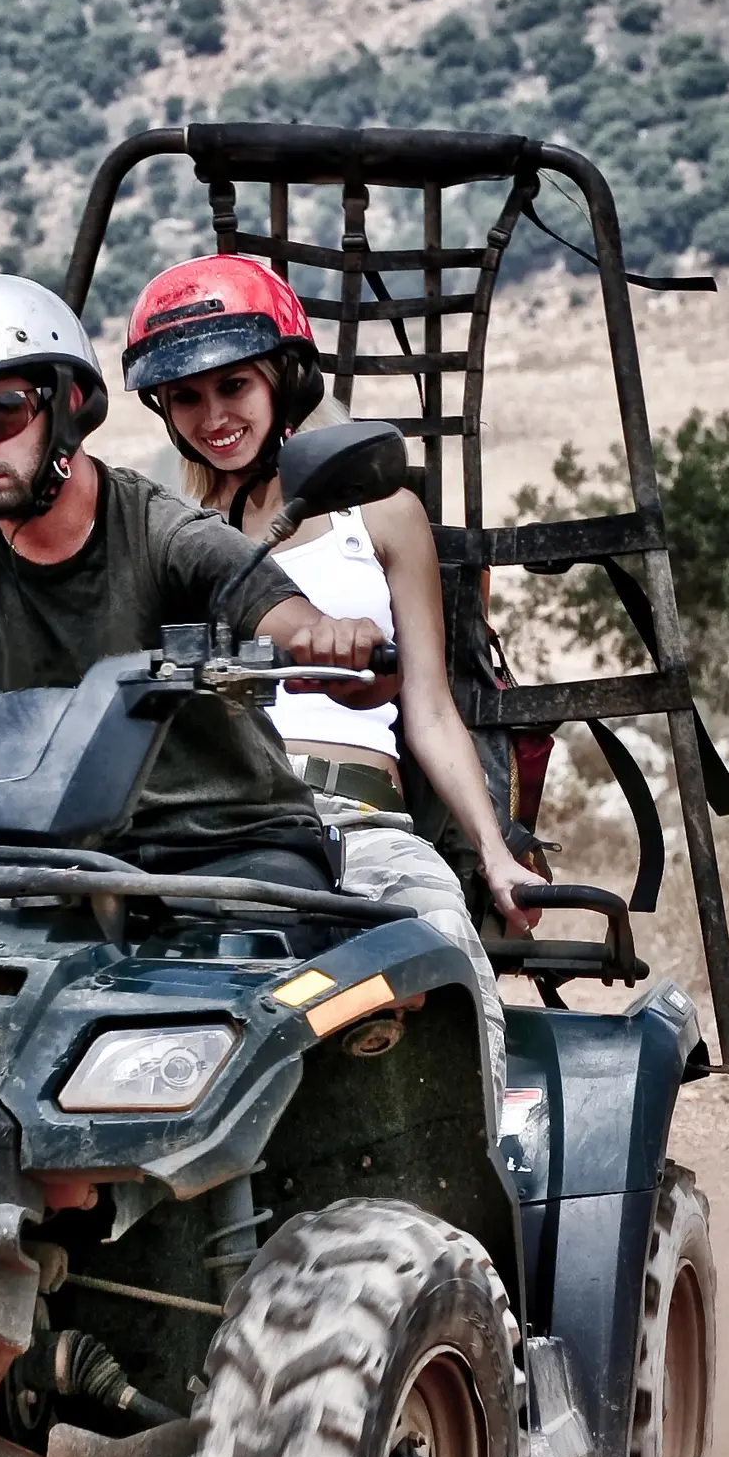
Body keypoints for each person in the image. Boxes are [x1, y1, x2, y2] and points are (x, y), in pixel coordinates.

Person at [0, 273, 377, 891]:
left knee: (266, 962)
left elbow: (311, 636)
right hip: (27, 870)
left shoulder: (168, 535)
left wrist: (332, 640)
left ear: (69, 404)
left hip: (220, 850)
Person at [123, 253, 538, 1067]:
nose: (214, 417)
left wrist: (495, 854)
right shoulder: (165, 535)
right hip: (215, 829)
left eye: (234, 386)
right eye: (187, 397)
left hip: (356, 823)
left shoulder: (379, 514)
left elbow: (426, 706)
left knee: (445, 956)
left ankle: (480, 1164)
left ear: (286, 380)